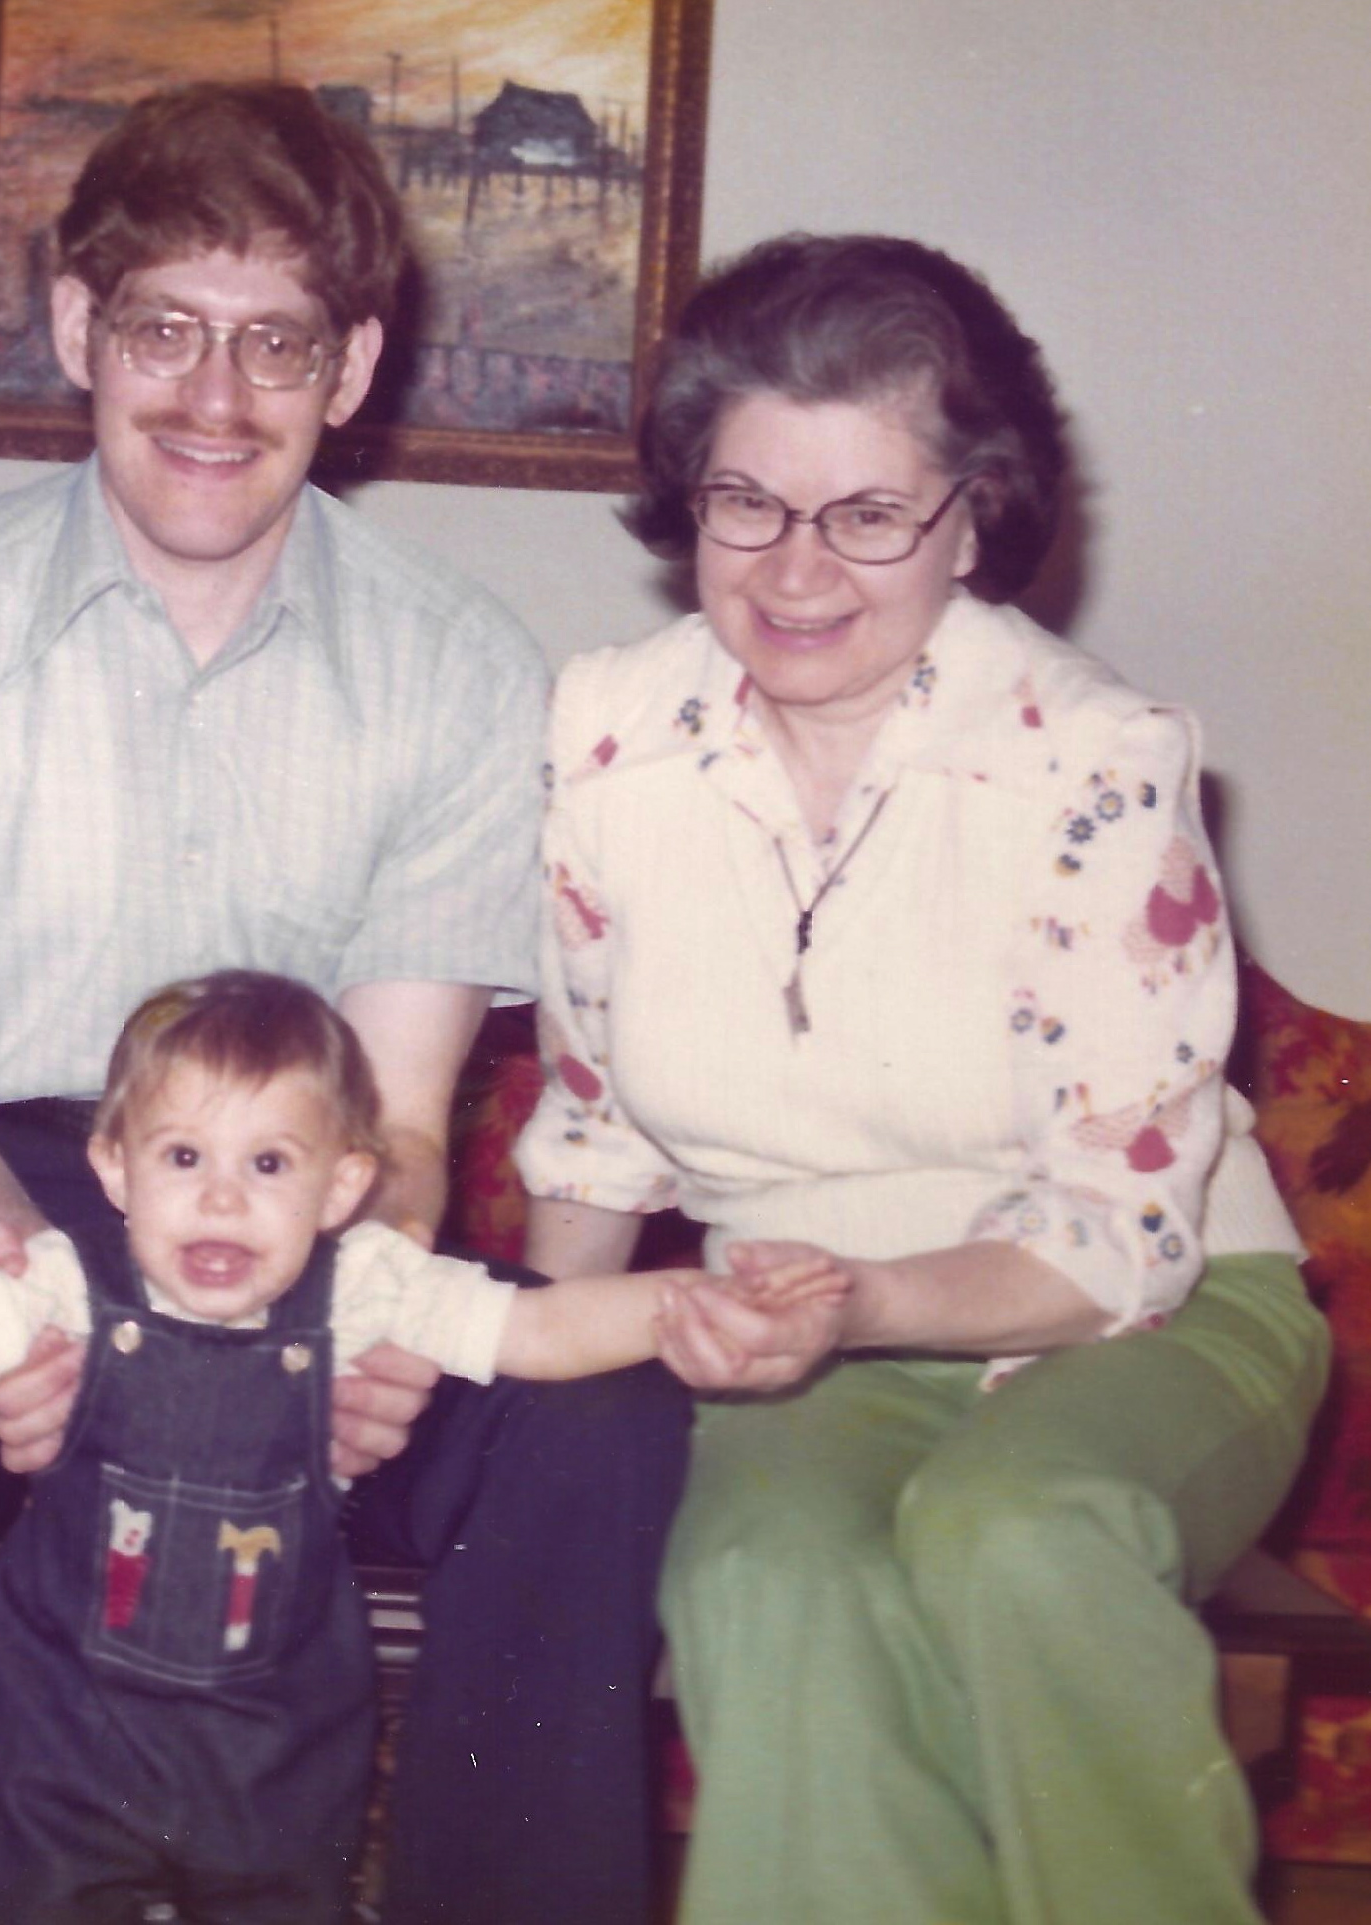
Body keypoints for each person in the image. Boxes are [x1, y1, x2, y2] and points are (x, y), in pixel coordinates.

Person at [0, 79, 691, 1925]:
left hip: (302, 1213)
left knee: (595, 1422)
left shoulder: (461, 668)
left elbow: (394, 1119)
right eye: (164, 329)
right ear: (77, 325)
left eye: (276, 342)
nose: (214, 398)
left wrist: (346, 1314)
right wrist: (23, 1277)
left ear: (353, 366)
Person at [516, 231, 1331, 1925]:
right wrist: (527, 1384)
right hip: (809, 1329)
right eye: (747, 502)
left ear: (973, 515)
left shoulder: (1092, 758)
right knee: (763, 1576)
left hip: (1157, 1305)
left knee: (1015, 1531)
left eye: (869, 513)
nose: (797, 570)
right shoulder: (608, 740)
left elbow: (1121, 1238)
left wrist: (854, 1303)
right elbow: (592, 1133)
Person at [0, 971, 840, 1922]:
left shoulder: (366, 1287)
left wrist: (696, 1300)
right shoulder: (61, 1280)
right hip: (59, 1721)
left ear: (340, 1185)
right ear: (114, 1166)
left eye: (269, 1163)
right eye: (183, 1157)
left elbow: (545, 1329)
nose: (222, 1198)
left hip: (275, 1740)